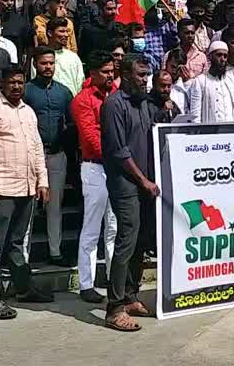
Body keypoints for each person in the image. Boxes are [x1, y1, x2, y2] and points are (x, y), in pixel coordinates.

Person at [0, 66, 53, 319]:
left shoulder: (28, 112)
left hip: (26, 187)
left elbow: (37, 147)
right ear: (2, 84)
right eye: (11, 82)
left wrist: (43, 181)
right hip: (0, 188)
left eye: (20, 82)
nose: (16, 86)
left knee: (17, 243)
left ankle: (23, 288)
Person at [101, 54, 158, 331]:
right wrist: (143, 180)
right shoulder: (113, 105)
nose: (145, 80)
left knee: (140, 242)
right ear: (124, 74)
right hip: (126, 184)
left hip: (146, 182)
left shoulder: (144, 104)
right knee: (126, 241)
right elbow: (119, 151)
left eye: (147, 75)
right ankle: (114, 307)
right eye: (140, 75)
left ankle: (131, 294)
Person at [71, 50, 118, 303]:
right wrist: (119, 154)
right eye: (105, 71)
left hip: (115, 167)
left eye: (112, 71)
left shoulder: (116, 94)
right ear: (92, 73)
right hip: (95, 167)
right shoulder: (83, 100)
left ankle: (114, 278)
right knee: (92, 227)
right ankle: (86, 284)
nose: (110, 75)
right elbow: (90, 136)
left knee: (113, 226)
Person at [23, 46, 73, 266]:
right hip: (31, 156)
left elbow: (71, 123)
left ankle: (55, 252)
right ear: (35, 64)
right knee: (28, 207)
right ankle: (22, 256)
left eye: (51, 63)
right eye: (44, 63)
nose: (48, 67)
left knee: (55, 206)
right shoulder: (26, 91)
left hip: (56, 154)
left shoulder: (63, 92)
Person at [189, 41, 234, 123]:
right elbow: (195, 114)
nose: (222, 59)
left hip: (231, 130)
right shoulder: (200, 81)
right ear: (210, 57)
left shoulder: (233, 80)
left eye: (225, 56)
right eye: (219, 55)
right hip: (210, 132)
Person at [45, 18, 84, 97]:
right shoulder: (41, 57)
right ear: (50, 33)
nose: (66, 35)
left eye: (67, 31)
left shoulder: (73, 57)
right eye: (62, 31)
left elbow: (80, 84)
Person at [163, 48, 189, 113]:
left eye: (178, 69)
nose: (174, 71)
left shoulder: (185, 85)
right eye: (172, 67)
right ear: (166, 63)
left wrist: (187, 82)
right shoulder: (154, 81)